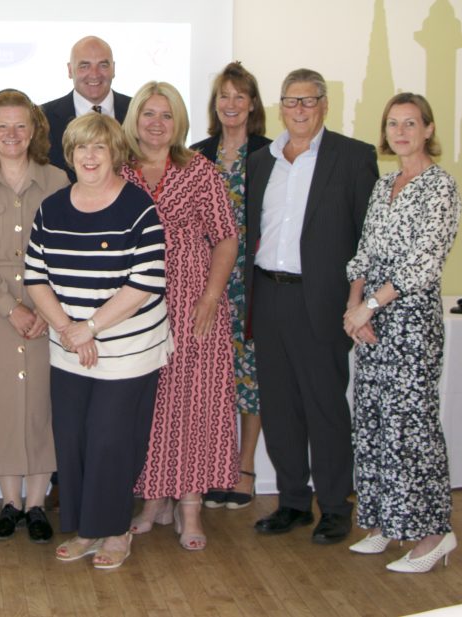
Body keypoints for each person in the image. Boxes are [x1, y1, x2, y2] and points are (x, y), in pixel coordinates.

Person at [26, 113, 169, 569]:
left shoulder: (138, 208)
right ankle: (88, 528)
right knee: (73, 439)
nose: (90, 157)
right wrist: (69, 329)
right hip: (68, 347)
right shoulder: (51, 208)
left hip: (127, 351)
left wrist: (90, 328)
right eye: (81, 148)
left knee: (111, 439)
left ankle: (115, 531)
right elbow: (35, 276)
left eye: (99, 148)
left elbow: (145, 281)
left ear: (115, 154)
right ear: (69, 155)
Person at [246, 68, 378, 545]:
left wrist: (357, 302)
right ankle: (293, 503)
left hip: (321, 301)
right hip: (269, 297)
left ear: (324, 105)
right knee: (279, 408)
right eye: (291, 101)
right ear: (281, 107)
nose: (299, 110)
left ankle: (336, 507)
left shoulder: (353, 157)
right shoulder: (262, 161)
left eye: (309, 101)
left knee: (325, 408)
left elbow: (369, 238)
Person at [343, 93, 461, 572]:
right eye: (393, 123)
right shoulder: (385, 184)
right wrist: (354, 306)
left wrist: (369, 305)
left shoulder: (440, 187)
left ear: (429, 129)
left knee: (410, 428)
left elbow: (423, 264)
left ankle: (434, 535)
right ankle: (384, 524)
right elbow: (364, 251)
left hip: (410, 322)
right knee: (372, 423)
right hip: (369, 322)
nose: (401, 131)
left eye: (410, 123)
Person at [122, 81, 239, 551]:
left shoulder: (201, 171)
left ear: (179, 123)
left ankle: (189, 506)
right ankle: (153, 500)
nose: (156, 123)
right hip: (134, 307)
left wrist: (211, 296)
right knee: (148, 406)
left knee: (193, 404)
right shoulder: (119, 171)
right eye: (148, 113)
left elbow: (226, 237)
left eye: (166, 115)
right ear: (135, 119)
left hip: (194, 304)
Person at [0, 89, 69, 542]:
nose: (11, 134)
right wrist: (11, 308)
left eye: (20, 125)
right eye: (1, 125)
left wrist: (45, 308)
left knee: (42, 405)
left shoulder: (59, 180)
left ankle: (37, 505)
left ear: (35, 129)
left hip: (50, 309)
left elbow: (68, 250)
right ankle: (10, 504)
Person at [190, 62, 271, 511]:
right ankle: (208, 470)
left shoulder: (270, 152)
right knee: (212, 379)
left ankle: (244, 470)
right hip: (205, 282)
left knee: (249, 379)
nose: (231, 104)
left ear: (253, 104)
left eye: (240, 96)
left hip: (253, 285)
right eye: (224, 95)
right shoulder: (197, 153)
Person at [42, 36, 131, 180]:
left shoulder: (138, 113)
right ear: (70, 70)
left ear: (113, 68)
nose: (94, 74)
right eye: (84, 66)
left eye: (103, 65)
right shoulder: (42, 118)